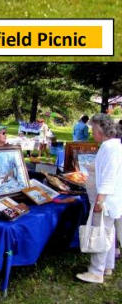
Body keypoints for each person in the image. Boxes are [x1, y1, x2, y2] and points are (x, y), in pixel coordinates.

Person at [76, 113, 121, 283]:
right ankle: (107, 266)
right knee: (108, 233)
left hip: (106, 200)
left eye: (93, 129)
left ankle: (96, 272)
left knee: (100, 233)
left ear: (101, 130)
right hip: (112, 199)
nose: (92, 133)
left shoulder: (109, 148)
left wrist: (100, 200)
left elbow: (109, 175)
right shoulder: (114, 145)